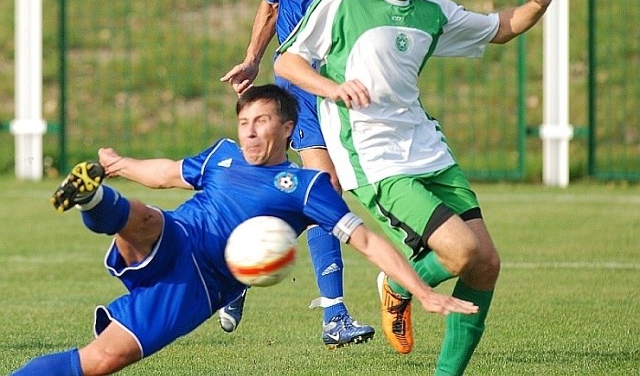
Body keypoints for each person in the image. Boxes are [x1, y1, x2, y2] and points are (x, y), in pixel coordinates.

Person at [10, 85, 478, 376]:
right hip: (180, 235)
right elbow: (168, 173)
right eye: (243, 122)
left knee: (99, 361)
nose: (250, 132)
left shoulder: (307, 186)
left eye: (261, 122)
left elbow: (368, 239)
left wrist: (422, 290)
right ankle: (93, 197)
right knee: (147, 219)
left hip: (199, 287)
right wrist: (119, 165)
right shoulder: (221, 156)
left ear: (289, 129)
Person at [274, 0, 555, 374]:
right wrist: (334, 88)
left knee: (485, 264)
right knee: (461, 252)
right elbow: (288, 63)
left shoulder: (431, 11)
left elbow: (499, 28)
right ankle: (400, 284)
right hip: (373, 155)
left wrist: (538, 4)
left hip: (427, 148)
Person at [220, 0, 437, 348]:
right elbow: (272, 4)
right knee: (325, 185)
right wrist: (253, 59)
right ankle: (334, 315)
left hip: (359, 82)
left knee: (325, 192)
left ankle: (239, 270)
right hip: (304, 82)